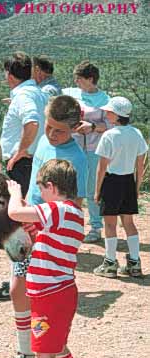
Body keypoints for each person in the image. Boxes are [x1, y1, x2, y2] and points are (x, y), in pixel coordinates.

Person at [0, 96, 87, 358]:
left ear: (75, 128)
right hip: (30, 224)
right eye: (49, 126)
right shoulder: (45, 143)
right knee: (18, 290)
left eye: (59, 130)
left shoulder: (77, 158)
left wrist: (46, 230)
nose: (51, 134)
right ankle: (28, 356)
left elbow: (74, 204)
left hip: (45, 232)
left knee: (41, 301)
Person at [6, 159, 84, 358]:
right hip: (61, 293)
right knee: (59, 347)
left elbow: (15, 212)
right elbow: (46, 237)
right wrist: (34, 229)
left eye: (41, 189)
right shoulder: (72, 212)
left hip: (47, 298)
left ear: (51, 187)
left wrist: (15, 193)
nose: (40, 194)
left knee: (44, 354)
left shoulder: (57, 209)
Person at [0, 52, 46, 301]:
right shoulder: (36, 92)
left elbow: (31, 122)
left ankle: (19, 281)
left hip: (21, 165)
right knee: (29, 222)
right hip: (34, 162)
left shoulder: (23, 96)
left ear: (9, 75)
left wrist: (18, 153)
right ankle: (31, 276)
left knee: (17, 224)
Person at [93, 97, 148, 278]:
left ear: (116, 115)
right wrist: (137, 186)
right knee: (129, 223)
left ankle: (109, 263)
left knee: (110, 223)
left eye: (109, 112)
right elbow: (140, 165)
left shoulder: (109, 135)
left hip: (111, 182)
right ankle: (134, 262)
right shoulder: (136, 133)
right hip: (128, 182)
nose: (106, 114)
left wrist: (97, 191)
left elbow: (101, 168)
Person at [63, 61, 110, 243]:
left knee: (91, 188)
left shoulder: (105, 100)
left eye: (79, 78)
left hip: (93, 149)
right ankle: (71, 225)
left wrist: (92, 127)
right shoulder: (71, 93)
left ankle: (96, 227)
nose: (76, 82)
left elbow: (110, 125)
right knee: (71, 187)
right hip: (72, 148)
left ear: (91, 79)